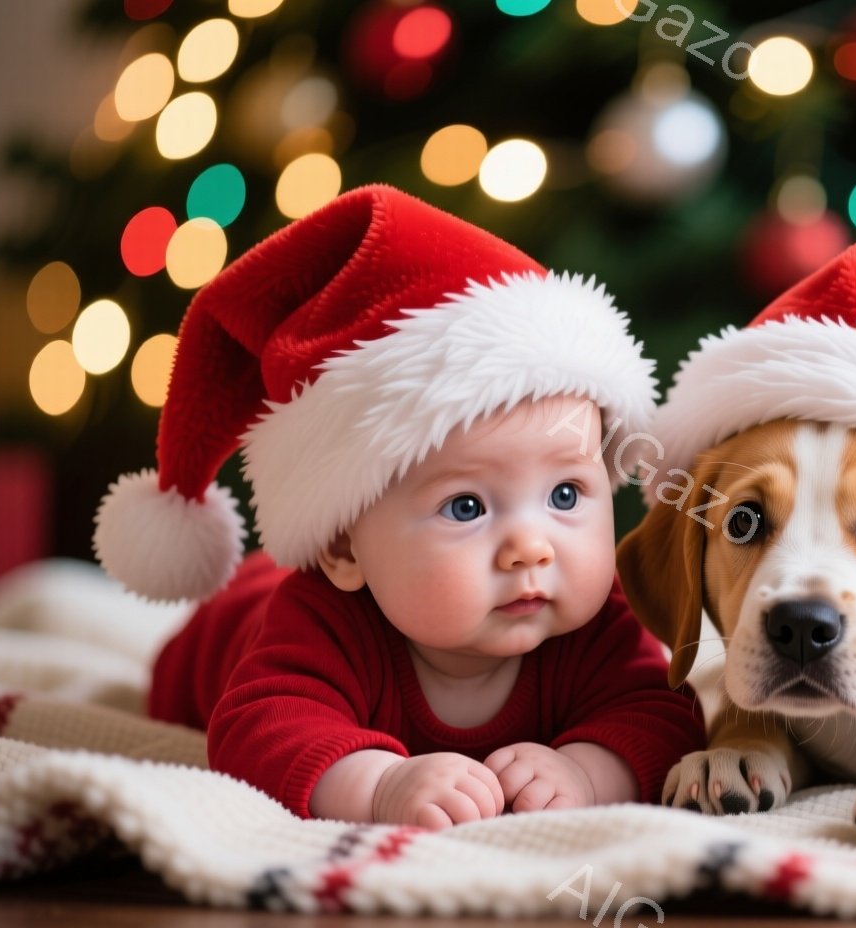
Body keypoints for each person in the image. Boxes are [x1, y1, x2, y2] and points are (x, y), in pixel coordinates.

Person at [92, 185, 705, 830]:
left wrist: (585, 769)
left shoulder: (594, 621)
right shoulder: (322, 621)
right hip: (222, 631)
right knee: (218, 636)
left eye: (565, 495)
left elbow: (664, 714)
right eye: (466, 506)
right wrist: (380, 785)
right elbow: (255, 729)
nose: (533, 545)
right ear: (343, 546)